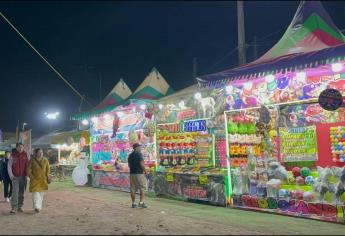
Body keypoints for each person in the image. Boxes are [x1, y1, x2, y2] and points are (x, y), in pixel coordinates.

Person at [27, 148, 51, 213]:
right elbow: (28, 170)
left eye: (42, 152)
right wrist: (32, 177)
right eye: (39, 152)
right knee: (35, 194)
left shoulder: (45, 160)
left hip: (43, 181)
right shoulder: (32, 160)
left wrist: (48, 176)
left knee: (41, 195)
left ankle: (38, 207)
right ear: (36, 153)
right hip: (35, 181)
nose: (40, 154)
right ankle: (36, 207)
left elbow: (48, 169)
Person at [8, 143, 29, 214]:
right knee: (15, 192)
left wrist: (27, 175)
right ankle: (14, 207)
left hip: (23, 177)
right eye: (19, 147)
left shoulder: (25, 155)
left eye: (22, 147)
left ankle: (20, 206)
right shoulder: (13, 155)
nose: (20, 148)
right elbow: (9, 166)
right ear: (16, 148)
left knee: (21, 193)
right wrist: (11, 175)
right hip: (15, 177)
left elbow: (27, 165)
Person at [128, 143, 147, 208]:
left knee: (132, 188)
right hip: (139, 173)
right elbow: (141, 164)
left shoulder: (130, 155)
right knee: (143, 187)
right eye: (140, 147)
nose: (140, 148)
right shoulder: (139, 154)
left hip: (132, 173)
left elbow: (129, 165)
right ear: (136, 148)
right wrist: (145, 171)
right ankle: (141, 203)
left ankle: (133, 203)